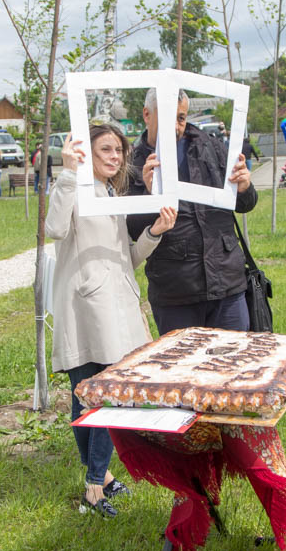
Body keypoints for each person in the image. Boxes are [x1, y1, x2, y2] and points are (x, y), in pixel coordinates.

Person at [47, 125, 177, 518]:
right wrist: (68, 172)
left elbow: (127, 259)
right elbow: (52, 229)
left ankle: (96, 478)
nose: (116, 156)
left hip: (115, 308)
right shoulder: (72, 189)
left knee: (104, 395)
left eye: (119, 150)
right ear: (86, 152)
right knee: (87, 397)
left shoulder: (110, 195)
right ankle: (95, 483)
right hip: (84, 308)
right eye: (106, 149)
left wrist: (155, 232)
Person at [126, 88, 255, 334]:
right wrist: (149, 196)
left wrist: (245, 187)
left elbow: (246, 204)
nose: (176, 126)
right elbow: (133, 229)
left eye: (181, 118)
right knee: (183, 370)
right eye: (167, 116)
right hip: (176, 293)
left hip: (227, 284)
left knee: (234, 367)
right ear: (147, 114)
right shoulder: (132, 162)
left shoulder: (211, 146)